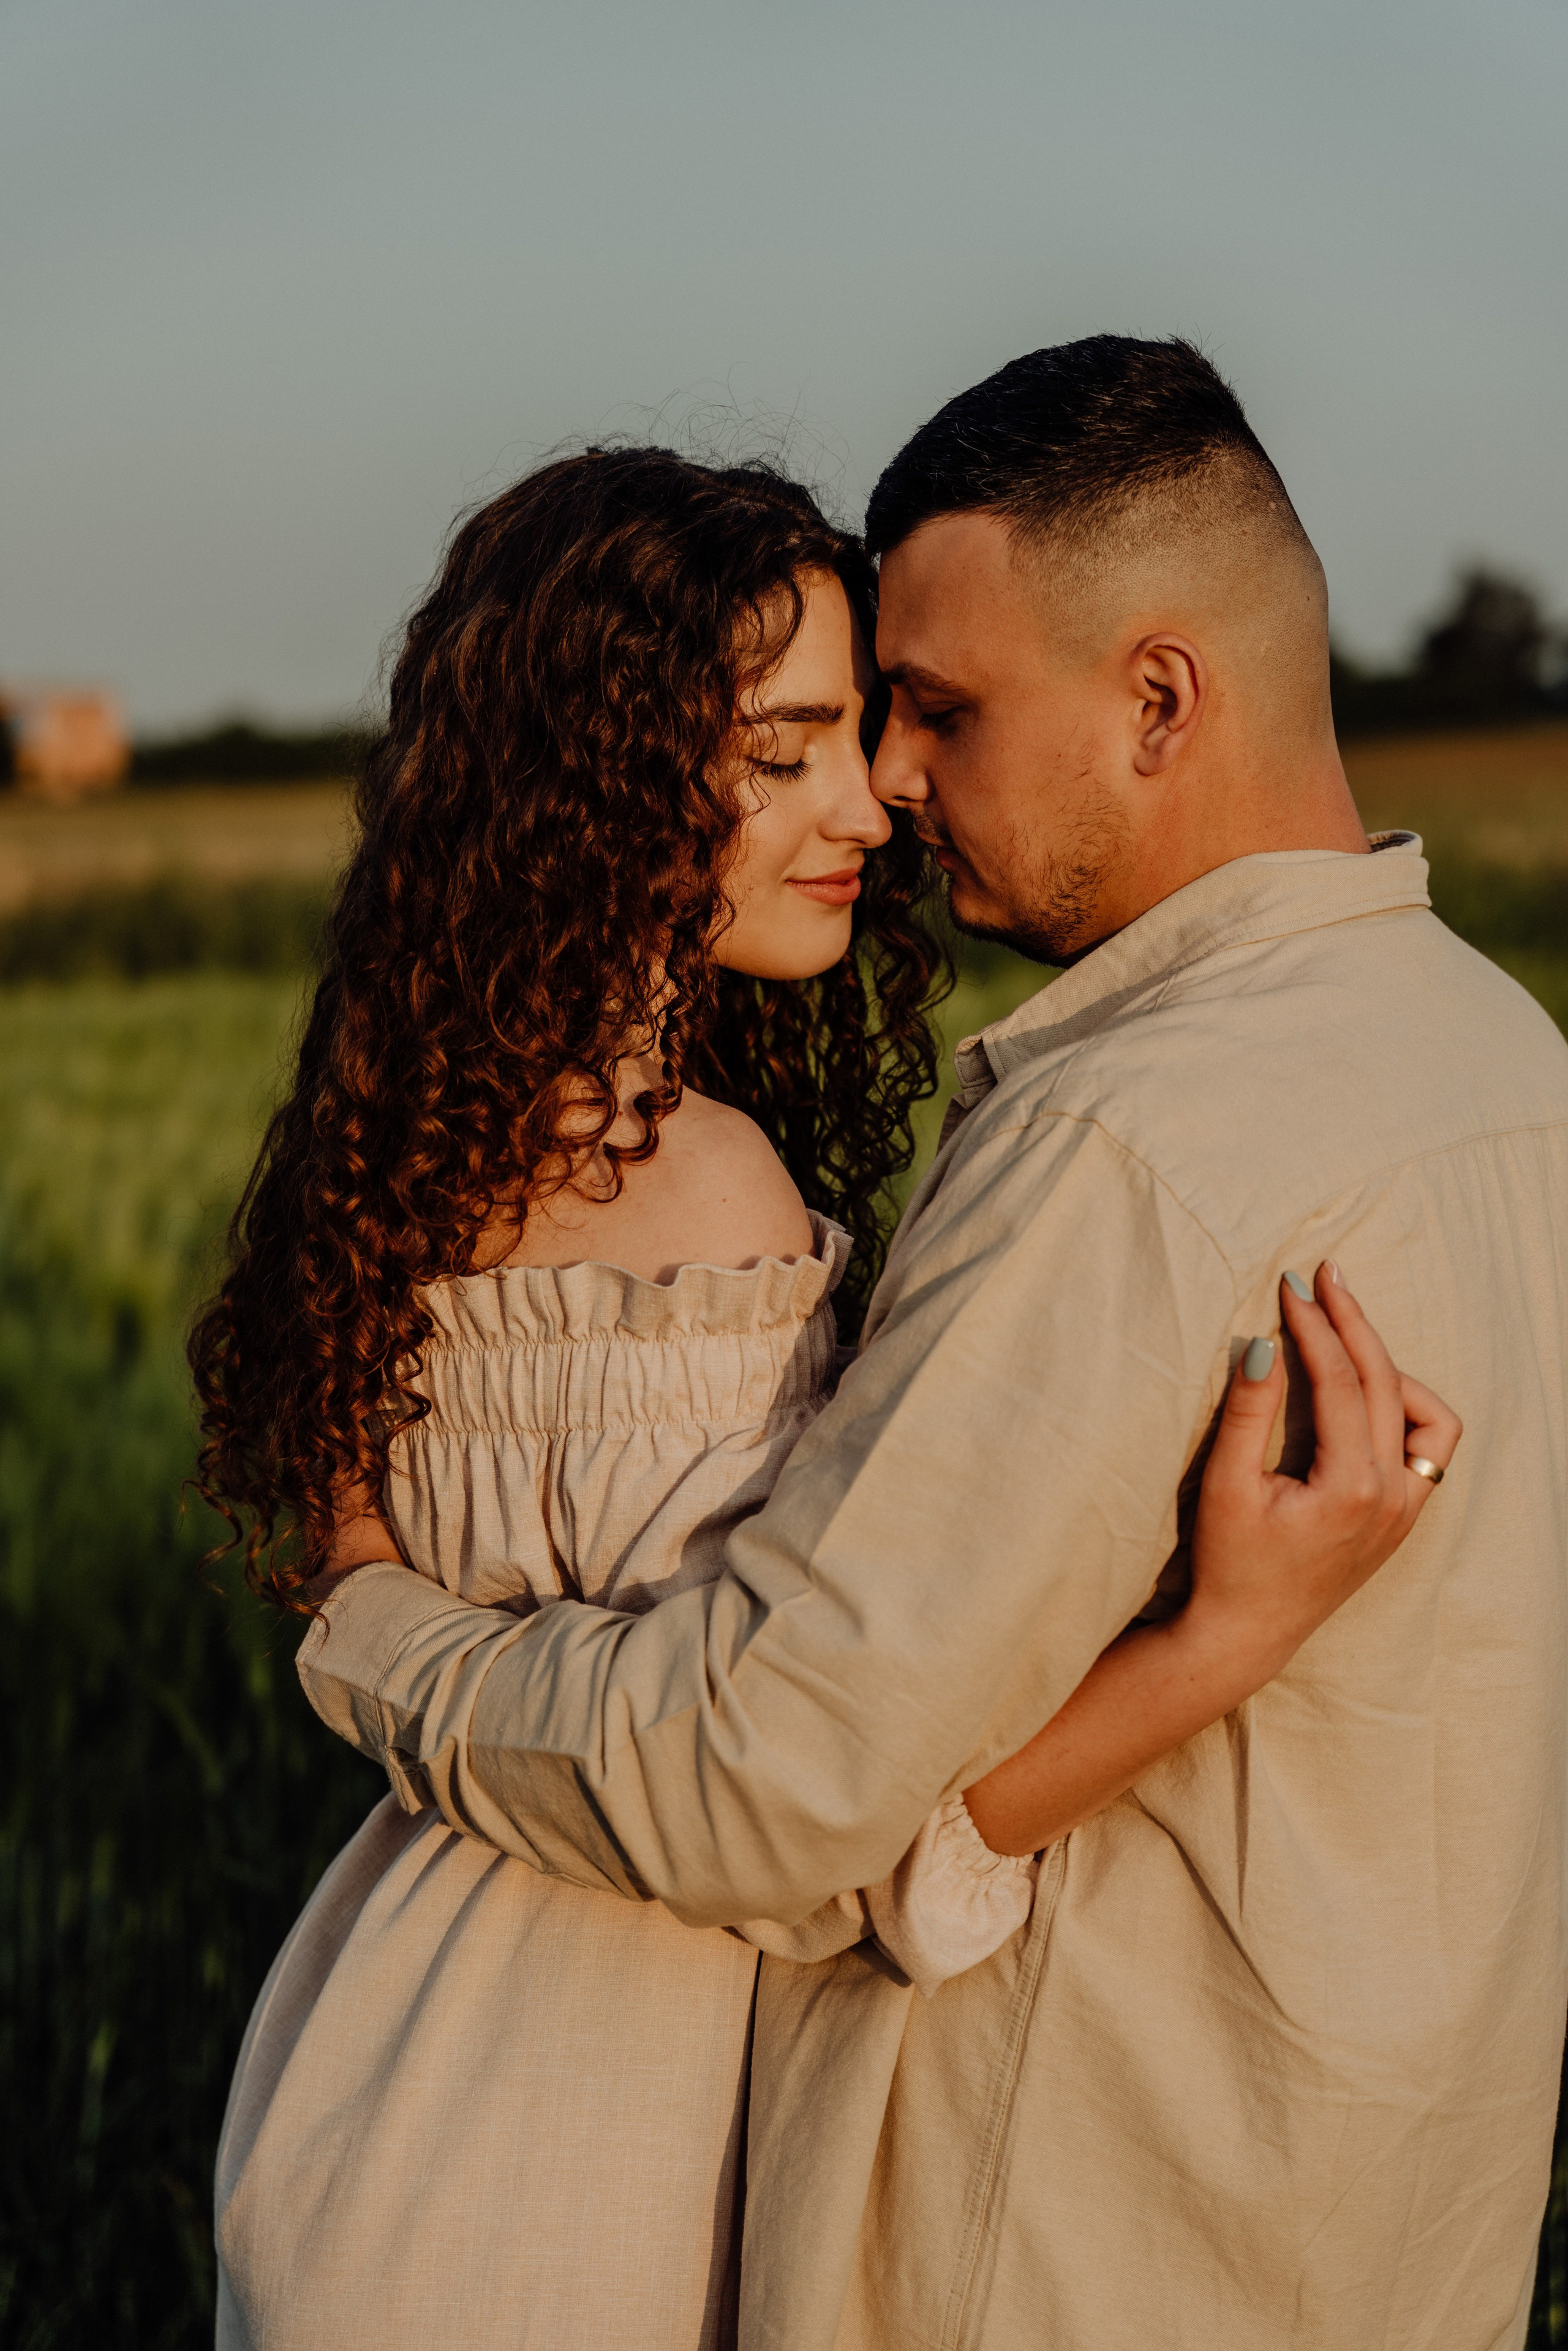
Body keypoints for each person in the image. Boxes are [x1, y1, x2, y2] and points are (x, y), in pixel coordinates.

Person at [297, 338, 1564, 2351]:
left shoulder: (1124, 1141)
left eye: (938, 712)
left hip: (1059, 2248)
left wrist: (366, 1626)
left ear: (1159, 697)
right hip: (1397, 2241)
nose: (888, 781)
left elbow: (763, 1787)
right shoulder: (1510, 1064)